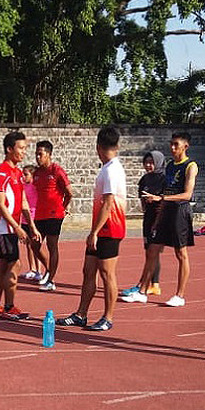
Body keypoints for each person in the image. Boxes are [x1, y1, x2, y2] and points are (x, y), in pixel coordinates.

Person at [57, 125, 126, 331]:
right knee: (88, 271)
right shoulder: (105, 169)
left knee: (107, 273)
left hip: (110, 229)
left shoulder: (113, 170)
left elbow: (108, 203)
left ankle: (108, 317)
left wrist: (94, 232)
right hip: (100, 229)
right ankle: (81, 314)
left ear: (98, 147)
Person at [121, 132, 198, 307]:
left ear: (185, 146)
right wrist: (158, 215)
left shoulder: (190, 166)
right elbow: (166, 192)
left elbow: (187, 194)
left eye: (176, 145)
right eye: (171, 144)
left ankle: (179, 295)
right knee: (152, 250)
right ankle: (142, 291)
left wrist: (160, 199)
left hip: (180, 211)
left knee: (181, 254)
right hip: (166, 211)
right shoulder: (170, 166)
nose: (172, 148)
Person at [0, 131, 39, 320]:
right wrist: (16, 228)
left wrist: (31, 226)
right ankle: (8, 306)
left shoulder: (17, 173)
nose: (24, 152)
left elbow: (23, 201)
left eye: (25, 148)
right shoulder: (2, 171)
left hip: (11, 227)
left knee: (3, 265)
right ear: (10, 149)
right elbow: (0, 204)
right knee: (15, 264)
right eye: (21, 148)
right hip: (3, 227)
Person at [121, 151, 166, 297]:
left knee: (154, 252)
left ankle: (152, 284)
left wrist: (157, 201)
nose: (148, 165)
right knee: (148, 251)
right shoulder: (144, 179)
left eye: (151, 162)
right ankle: (150, 283)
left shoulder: (164, 179)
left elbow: (166, 199)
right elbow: (142, 197)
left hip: (159, 218)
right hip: (148, 217)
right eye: (146, 162)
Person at [32, 140, 74, 292]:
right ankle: (49, 268)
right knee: (34, 244)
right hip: (39, 215)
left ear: (48, 155)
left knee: (51, 245)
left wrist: (62, 208)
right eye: (36, 154)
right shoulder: (36, 173)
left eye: (40, 154)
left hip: (54, 215)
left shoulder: (57, 171)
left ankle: (51, 280)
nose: (37, 157)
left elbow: (70, 193)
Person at [20, 163, 44, 281]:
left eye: (26, 174)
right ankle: (32, 269)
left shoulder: (36, 186)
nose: (23, 177)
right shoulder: (23, 186)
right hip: (24, 218)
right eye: (23, 174)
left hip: (34, 217)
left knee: (35, 245)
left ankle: (40, 270)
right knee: (28, 245)